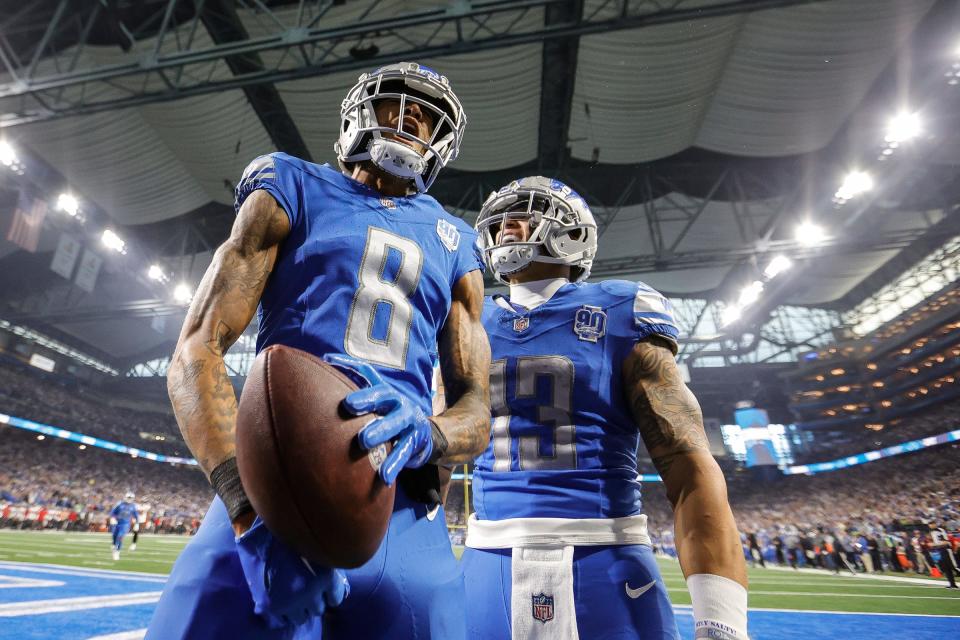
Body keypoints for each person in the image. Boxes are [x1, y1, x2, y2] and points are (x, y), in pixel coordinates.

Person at [148, 61, 491, 640]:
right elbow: (196, 351)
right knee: (202, 616)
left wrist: (430, 432)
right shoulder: (291, 186)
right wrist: (245, 511)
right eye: (396, 104)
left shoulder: (455, 243)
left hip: (400, 492)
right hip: (271, 483)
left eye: (429, 119)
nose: (412, 120)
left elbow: (477, 410)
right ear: (360, 112)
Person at [461, 177, 748, 640]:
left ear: (572, 233)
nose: (505, 225)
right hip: (486, 560)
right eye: (498, 219)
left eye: (525, 211)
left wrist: (721, 620)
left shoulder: (620, 308)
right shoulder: (469, 322)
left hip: (604, 556)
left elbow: (688, 465)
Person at [108, 491, 138, 561]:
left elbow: (136, 515)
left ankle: (117, 552)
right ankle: (114, 545)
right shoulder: (120, 504)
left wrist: (137, 523)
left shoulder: (133, 506)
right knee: (114, 536)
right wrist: (113, 518)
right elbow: (113, 512)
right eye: (128, 497)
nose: (129, 499)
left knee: (120, 537)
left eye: (131, 498)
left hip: (125, 524)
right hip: (117, 523)